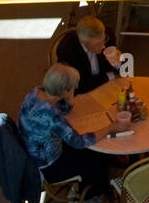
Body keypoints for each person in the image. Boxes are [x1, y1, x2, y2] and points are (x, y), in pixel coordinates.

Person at [19, 64, 121, 192]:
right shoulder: (52, 116)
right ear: (65, 91)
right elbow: (78, 142)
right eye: (74, 86)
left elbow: (63, 109)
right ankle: (94, 195)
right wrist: (110, 128)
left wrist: (69, 100)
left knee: (94, 149)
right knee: (96, 156)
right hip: (49, 166)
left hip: (31, 154)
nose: (77, 87)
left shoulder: (36, 92)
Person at [55, 16, 123, 94]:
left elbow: (123, 70)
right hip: (84, 94)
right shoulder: (67, 50)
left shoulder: (108, 35)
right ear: (84, 42)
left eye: (103, 40)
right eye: (98, 44)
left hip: (107, 87)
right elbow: (77, 86)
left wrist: (118, 63)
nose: (103, 46)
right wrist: (110, 76)